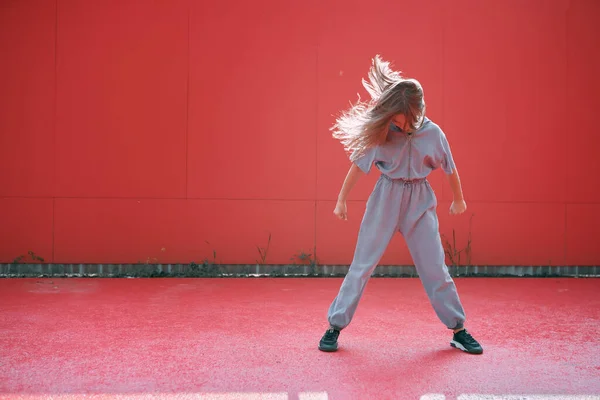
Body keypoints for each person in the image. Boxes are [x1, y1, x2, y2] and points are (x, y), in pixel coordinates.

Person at [318, 55, 483, 354]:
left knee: (435, 268)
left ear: (416, 111)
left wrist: (459, 198)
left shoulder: (433, 134)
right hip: (385, 198)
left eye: (400, 117)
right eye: (393, 117)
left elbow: (450, 168)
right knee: (362, 265)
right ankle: (334, 326)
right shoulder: (383, 134)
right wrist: (341, 200)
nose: (396, 122)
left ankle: (458, 328)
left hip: (419, 202)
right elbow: (358, 166)